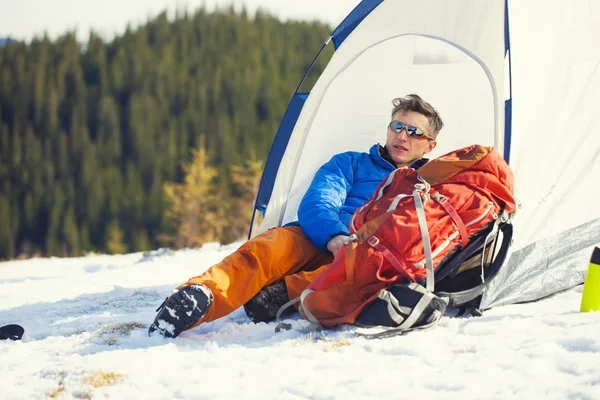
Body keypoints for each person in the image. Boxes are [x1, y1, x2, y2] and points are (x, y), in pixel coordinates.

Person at [148, 94, 443, 338]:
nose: (403, 136)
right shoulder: (350, 163)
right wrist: (334, 236)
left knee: (348, 279)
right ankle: (199, 296)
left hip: (361, 257)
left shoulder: (426, 188)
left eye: (414, 132)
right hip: (315, 233)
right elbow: (319, 200)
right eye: (397, 126)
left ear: (430, 145)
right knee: (266, 249)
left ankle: (279, 296)